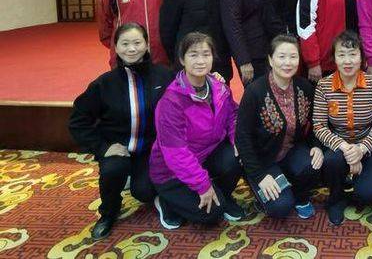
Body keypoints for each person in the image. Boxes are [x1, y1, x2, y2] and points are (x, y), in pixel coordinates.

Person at [69, 23, 173, 240]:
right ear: (115, 47)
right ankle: (109, 211)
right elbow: (78, 121)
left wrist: (214, 81)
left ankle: (140, 183)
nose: (131, 49)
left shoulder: (164, 76)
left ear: (147, 45)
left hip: (149, 151)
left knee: (143, 191)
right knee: (113, 169)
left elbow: (187, 96)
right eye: (125, 44)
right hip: (118, 149)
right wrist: (102, 147)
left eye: (137, 43)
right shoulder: (104, 84)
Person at [149, 32, 245, 228]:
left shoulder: (218, 86)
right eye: (193, 55)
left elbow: (232, 115)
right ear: (182, 59)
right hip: (172, 171)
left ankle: (223, 196)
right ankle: (165, 201)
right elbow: (176, 153)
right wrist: (202, 185)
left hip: (205, 156)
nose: (201, 61)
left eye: (206, 54)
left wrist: (236, 139)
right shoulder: (172, 101)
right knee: (212, 215)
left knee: (237, 155)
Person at [236, 35, 322, 219]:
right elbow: (242, 137)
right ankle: (256, 182)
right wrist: (259, 175)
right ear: (270, 59)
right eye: (282, 56)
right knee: (281, 207)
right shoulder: (254, 92)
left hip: (290, 151)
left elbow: (317, 122)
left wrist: (316, 146)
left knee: (313, 164)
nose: (288, 62)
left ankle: (298, 195)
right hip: (262, 159)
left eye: (293, 57)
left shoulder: (304, 87)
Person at [313, 31, 372, 226]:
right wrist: (345, 148)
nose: (347, 61)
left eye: (353, 54)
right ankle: (336, 198)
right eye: (341, 55)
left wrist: (361, 149)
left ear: (361, 58)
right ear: (334, 58)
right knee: (331, 161)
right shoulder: (324, 86)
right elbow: (319, 125)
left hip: (367, 147)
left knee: (369, 196)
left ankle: (356, 183)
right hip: (339, 147)